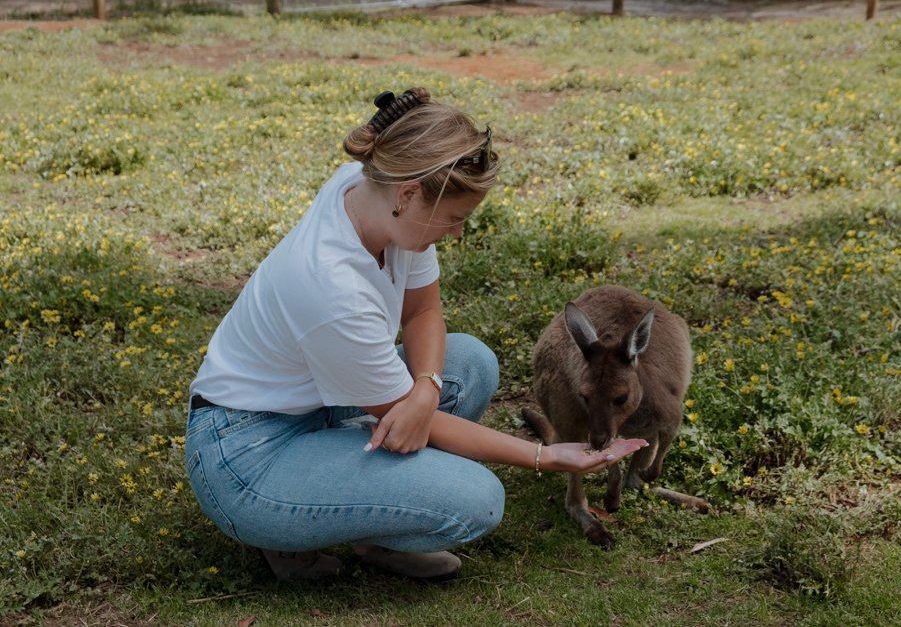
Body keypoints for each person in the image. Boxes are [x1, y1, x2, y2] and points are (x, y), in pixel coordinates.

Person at [185, 87, 647, 582]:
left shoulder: (375, 195)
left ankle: (373, 521)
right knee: (476, 500)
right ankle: (287, 527)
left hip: (316, 400)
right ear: (409, 196)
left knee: (469, 363)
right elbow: (402, 409)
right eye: (455, 219)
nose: (457, 234)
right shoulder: (329, 282)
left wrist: (425, 386)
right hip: (250, 455)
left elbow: (424, 309)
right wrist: (545, 455)